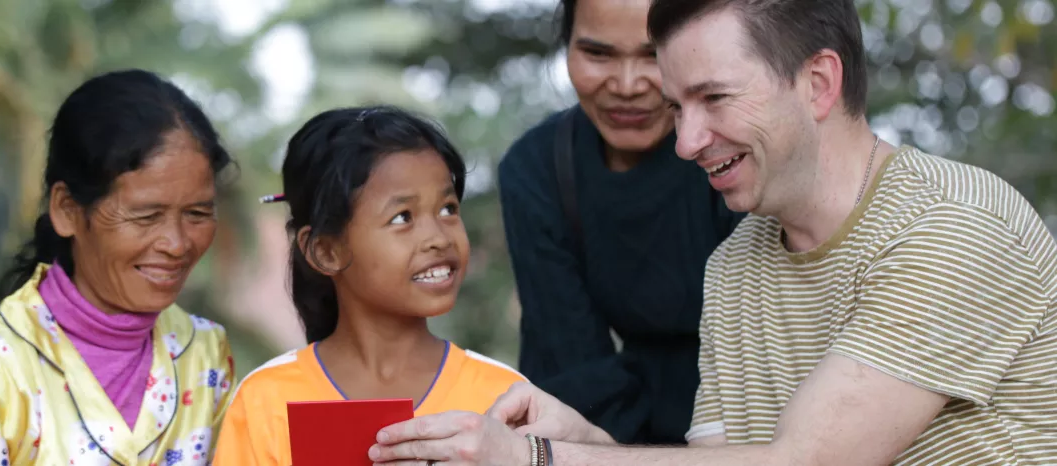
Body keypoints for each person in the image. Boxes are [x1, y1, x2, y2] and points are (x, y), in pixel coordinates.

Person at [366, 0, 1057, 464]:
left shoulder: (952, 223)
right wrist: (585, 438)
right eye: (678, 107)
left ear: (819, 83)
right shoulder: (735, 264)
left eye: (714, 98)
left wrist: (542, 459)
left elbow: (807, 462)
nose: (685, 141)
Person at [0, 69, 236, 466]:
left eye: (197, 213)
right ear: (67, 210)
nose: (177, 243)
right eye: (146, 216)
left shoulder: (205, 352)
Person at [210, 106, 527, 466]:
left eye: (447, 209)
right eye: (402, 217)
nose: (439, 238)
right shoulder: (265, 401)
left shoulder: (506, 398)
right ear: (326, 251)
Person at [499, 0, 742, 445]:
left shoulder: (739, 153)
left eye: (654, 54)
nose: (627, 86)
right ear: (566, 47)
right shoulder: (538, 169)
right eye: (598, 53)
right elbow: (569, 360)